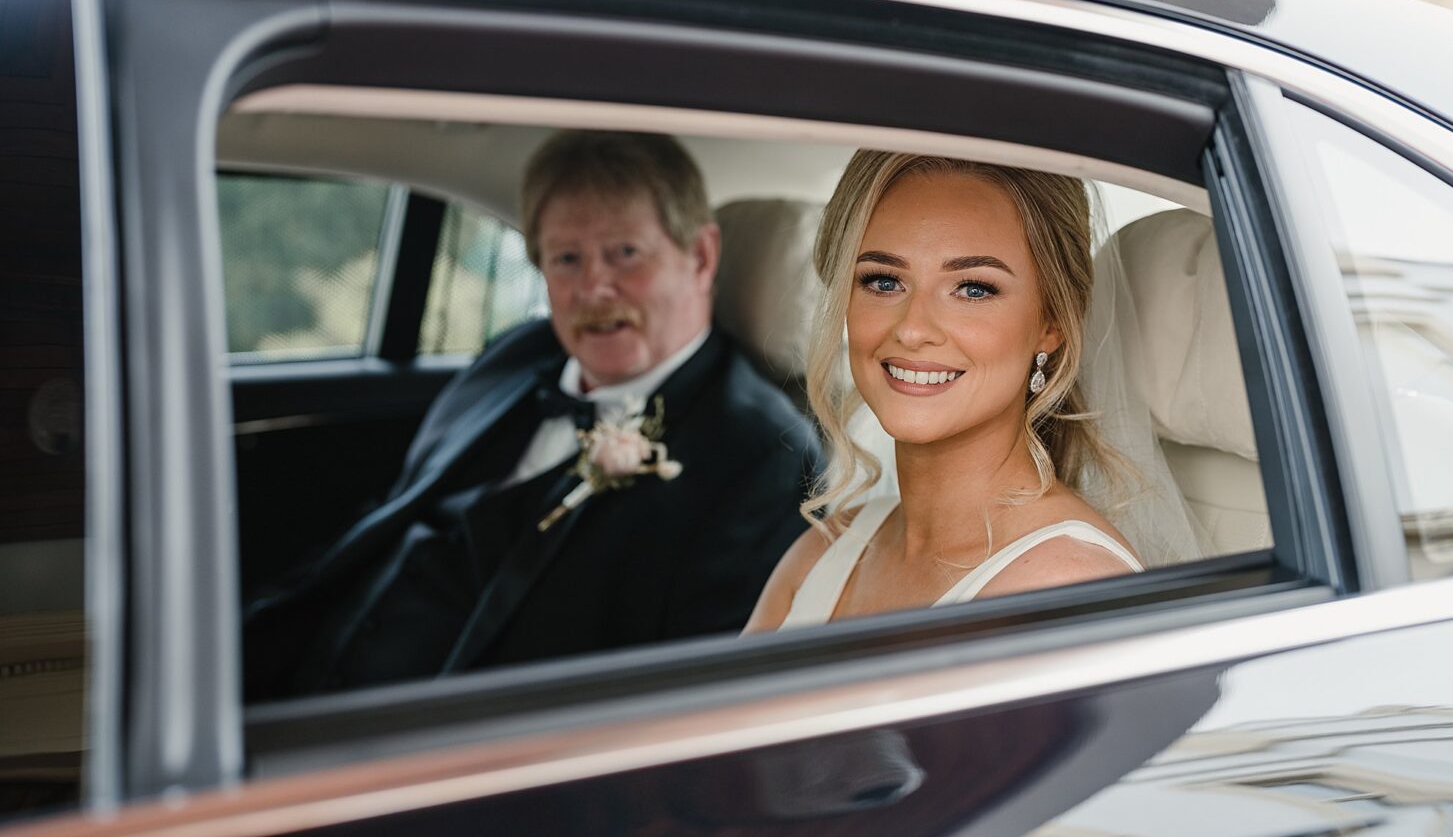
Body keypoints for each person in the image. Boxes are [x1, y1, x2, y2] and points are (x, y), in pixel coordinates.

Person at [245, 130, 822, 697]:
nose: (593, 288)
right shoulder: (518, 355)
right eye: (566, 258)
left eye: (625, 253)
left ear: (700, 256)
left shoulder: (762, 459)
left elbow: (687, 702)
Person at [745, 151, 1143, 633]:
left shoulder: (1067, 591)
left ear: (1053, 322)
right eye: (884, 281)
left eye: (973, 289)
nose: (912, 330)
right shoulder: (827, 549)